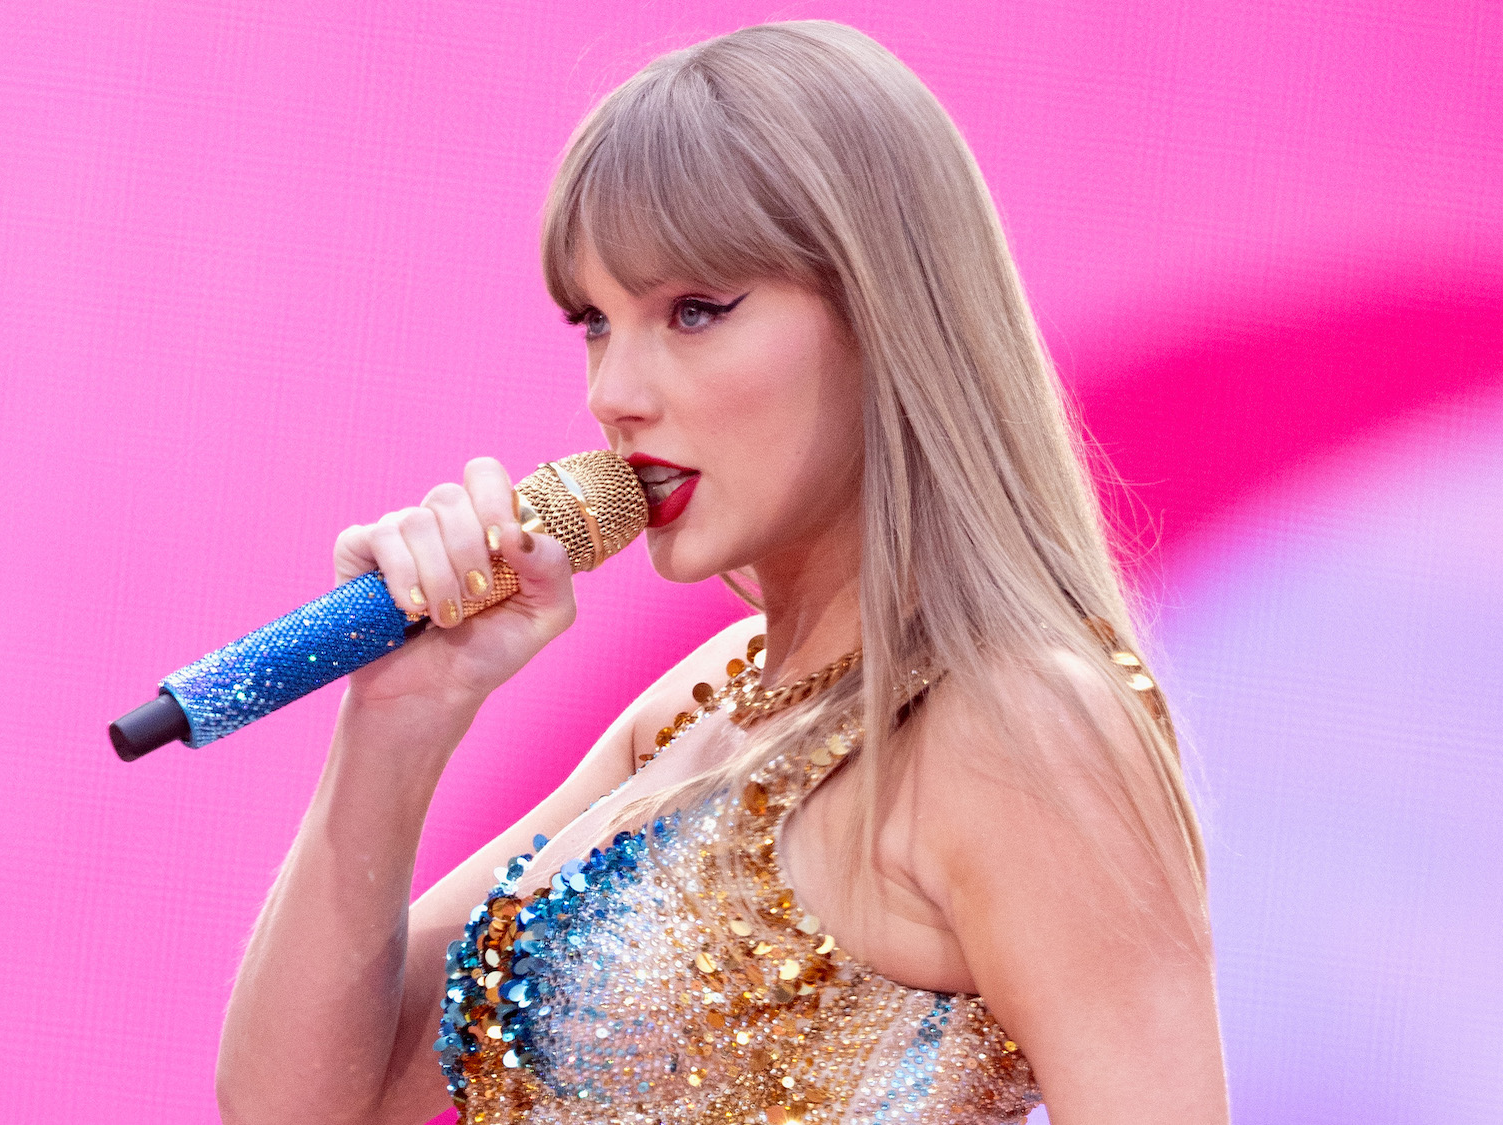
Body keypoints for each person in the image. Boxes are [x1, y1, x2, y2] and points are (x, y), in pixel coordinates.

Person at [215, 20, 1227, 1125]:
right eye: (595, 322)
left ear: (884, 316)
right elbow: (301, 1110)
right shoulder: (699, 710)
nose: (613, 391)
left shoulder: (1014, 721)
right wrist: (395, 725)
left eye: (693, 311)